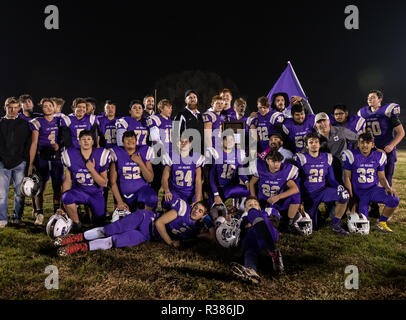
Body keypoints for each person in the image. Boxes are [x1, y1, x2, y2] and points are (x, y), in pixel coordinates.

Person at [54, 198, 214, 256]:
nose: (196, 211)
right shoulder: (183, 208)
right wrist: (170, 242)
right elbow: (159, 223)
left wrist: (211, 221)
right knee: (108, 230)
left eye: (200, 211)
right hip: (145, 219)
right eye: (196, 207)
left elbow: (211, 237)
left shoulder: (197, 228)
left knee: (114, 241)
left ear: (202, 215)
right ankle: (75, 238)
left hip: (146, 236)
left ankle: (79, 247)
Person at [342, 132, 399, 233]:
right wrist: (351, 197)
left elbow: (381, 177)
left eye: (368, 143)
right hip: (358, 191)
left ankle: (382, 223)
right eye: (362, 142)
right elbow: (347, 177)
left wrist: (387, 186)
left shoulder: (379, 156)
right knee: (361, 222)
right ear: (358, 144)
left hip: (373, 190)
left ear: (372, 145)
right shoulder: (351, 155)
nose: (365, 145)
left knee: (393, 199)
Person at [294, 132, 349, 235]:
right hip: (308, 195)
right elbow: (298, 181)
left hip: (322, 191)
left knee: (344, 195)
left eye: (316, 142)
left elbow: (331, 179)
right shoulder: (301, 158)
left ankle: (336, 224)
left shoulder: (327, 157)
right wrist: (299, 200)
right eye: (311, 142)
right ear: (307, 145)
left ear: (319, 144)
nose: (314, 144)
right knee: (313, 226)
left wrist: (339, 186)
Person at [60, 130, 110, 232]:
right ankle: (76, 223)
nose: (86, 142)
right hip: (79, 191)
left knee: (99, 225)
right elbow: (67, 180)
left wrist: (91, 169)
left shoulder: (101, 155)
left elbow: (104, 183)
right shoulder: (71, 155)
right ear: (79, 142)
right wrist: (62, 205)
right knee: (67, 197)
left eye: (88, 139)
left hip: (95, 194)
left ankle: (91, 217)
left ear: (92, 142)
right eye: (83, 139)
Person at [231, 196, 284, 285]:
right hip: (254, 240)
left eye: (255, 204)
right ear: (245, 208)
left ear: (259, 206)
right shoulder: (242, 218)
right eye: (249, 205)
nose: (253, 206)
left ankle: (273, 252)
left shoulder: (267, 210)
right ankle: (251, 272)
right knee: (249, 250)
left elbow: (274, 222)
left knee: (253, 214)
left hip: (268, 232)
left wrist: (255, 223)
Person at [357, 90, 405, 186]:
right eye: (368, 98)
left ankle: (387, 199)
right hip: (372, 149)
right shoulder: (363, 113)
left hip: (387, 149)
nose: (369, 99)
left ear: (380, 99)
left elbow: (401, 132)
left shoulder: (387, 112)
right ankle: (372, 199)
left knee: (387, 177)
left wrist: (391, 146)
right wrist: (371, 147)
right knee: (370, 176)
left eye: (373, 97)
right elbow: (363, 133)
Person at [28, 98, 63, 225]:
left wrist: (59, 145)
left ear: (55, 108)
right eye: (44, 106)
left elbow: (64, 137)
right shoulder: (37, 122)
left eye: (50, 105)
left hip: (56, 158)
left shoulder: (60, 120)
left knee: (57, 187)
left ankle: (56, 212)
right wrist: (31, 163)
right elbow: (34, 143)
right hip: (42, 157)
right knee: (39, 187)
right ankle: (39, 213)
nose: (47, 108)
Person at [0, 97, 32, 227]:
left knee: (19, 193)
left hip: (20, 163)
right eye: (10, 107)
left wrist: (25, 160)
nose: (12, 110)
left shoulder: (24, 124)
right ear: (5, 107)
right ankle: (2, 218)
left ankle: (17, 217)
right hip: (2, 163)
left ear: (19, 108)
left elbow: (27, 144)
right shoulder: (0, 123)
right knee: (2, 193)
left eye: (15, 107)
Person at [109, 131, 156, 212]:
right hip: (124, 196)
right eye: (127, 139)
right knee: (124, 221)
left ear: (136, 141)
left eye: (132, 138)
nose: (130, 141)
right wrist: (119, 201)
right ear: (123, 142)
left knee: (151, 197)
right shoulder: (117, 153)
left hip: (140, 195)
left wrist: (140, 162)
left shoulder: (143, 152)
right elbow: (112, 181)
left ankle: (147, 216)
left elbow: (150, 179)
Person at [249, 151, 300, 223]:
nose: (276, 164)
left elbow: (295, 189)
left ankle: (290, 222)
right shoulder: (260, 168)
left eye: (279, 161)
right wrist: (253, 199)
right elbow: (252, 183)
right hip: (263, 202)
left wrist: (278, 197)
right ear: (267, 161)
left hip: (278, 202)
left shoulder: (285, 171)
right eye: (273, 161)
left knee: (296, 196)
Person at [314, 112, 359, 184]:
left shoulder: (341, 131)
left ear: (329, 121)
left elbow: (358, 140)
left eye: (324, 120)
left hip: (343, 164)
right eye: (319, 122)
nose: (322, 124)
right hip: (325, 167)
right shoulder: (314, 138)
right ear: (316, 125)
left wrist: (355, 155)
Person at [161, 137, 205, 206]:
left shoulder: (196, 158)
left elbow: (198, 180)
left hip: (190, 192)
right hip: (176, 192)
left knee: (193, 208)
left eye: (186, 142)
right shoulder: (171, 157)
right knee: (176, 207)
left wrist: (198, 198)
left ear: (190, 144)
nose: (183, 144)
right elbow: (164, 178)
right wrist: (167, 191)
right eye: (181, 141)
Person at [209, 134, 250, 206]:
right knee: (215, 208)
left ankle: (241, 207)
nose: (229, 142)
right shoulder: (216, 153)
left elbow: (241, 170)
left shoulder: (238, 153)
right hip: (218, 187)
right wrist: (216, 193)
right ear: (222, 142)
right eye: (227, 140)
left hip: (231, 187)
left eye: (232, 140)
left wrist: (247, 182)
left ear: (234, 142)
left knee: (251, 190)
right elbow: (211, 175)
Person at [146, 99, 173, 195]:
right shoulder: (155, 119)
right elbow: (155, 139)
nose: (170, 109)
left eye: (171, 107)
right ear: (161, 108)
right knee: (156, 183)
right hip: (158, 155)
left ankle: (166, 205)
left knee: (169, 182)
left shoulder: (170, 120)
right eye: (168, 107)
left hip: (169, 153)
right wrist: (164, 156)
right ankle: (151, 207)